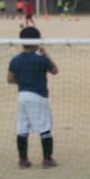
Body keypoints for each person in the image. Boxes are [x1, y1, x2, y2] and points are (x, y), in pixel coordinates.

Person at [7, 26, 59, 169]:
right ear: (37, 41)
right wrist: (46, 55)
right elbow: (55, 71)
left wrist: (23, 81)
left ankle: (23, 160)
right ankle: (47, 159)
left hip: (22, 96)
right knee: (44, 127)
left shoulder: (15, 60)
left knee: (22, 128)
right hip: (39, 96)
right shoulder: (41, 59)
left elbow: (10, 79)